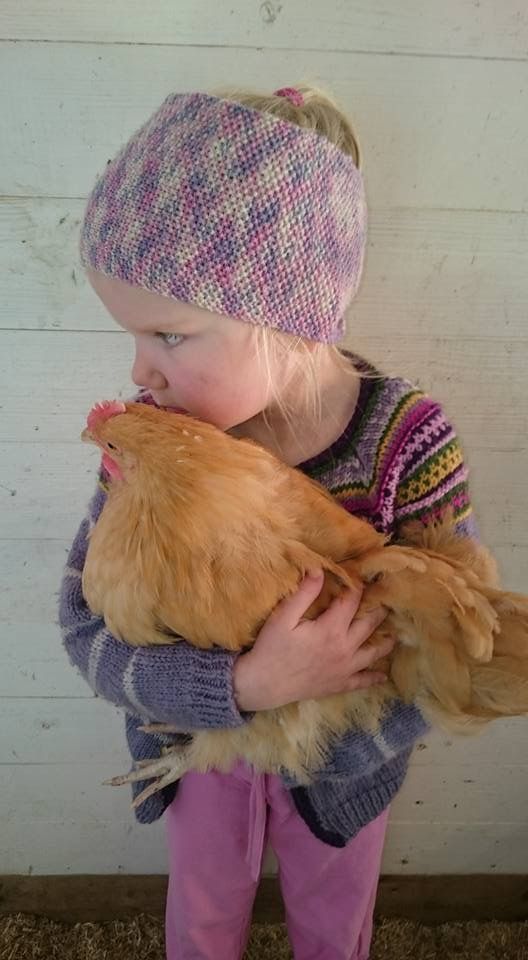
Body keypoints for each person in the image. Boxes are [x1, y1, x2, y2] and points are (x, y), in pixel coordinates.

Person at [59, 83, 478, 959]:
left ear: (286, 319)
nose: (144, 368)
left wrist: (330, 738)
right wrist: (242, 690)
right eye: (132, 337)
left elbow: (458, 645)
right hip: (196, 753)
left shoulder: (406, 441)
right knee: (204, 920)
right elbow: (85, 631)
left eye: (170, 336)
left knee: (333, 920)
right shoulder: (154, 444)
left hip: (348, 772)